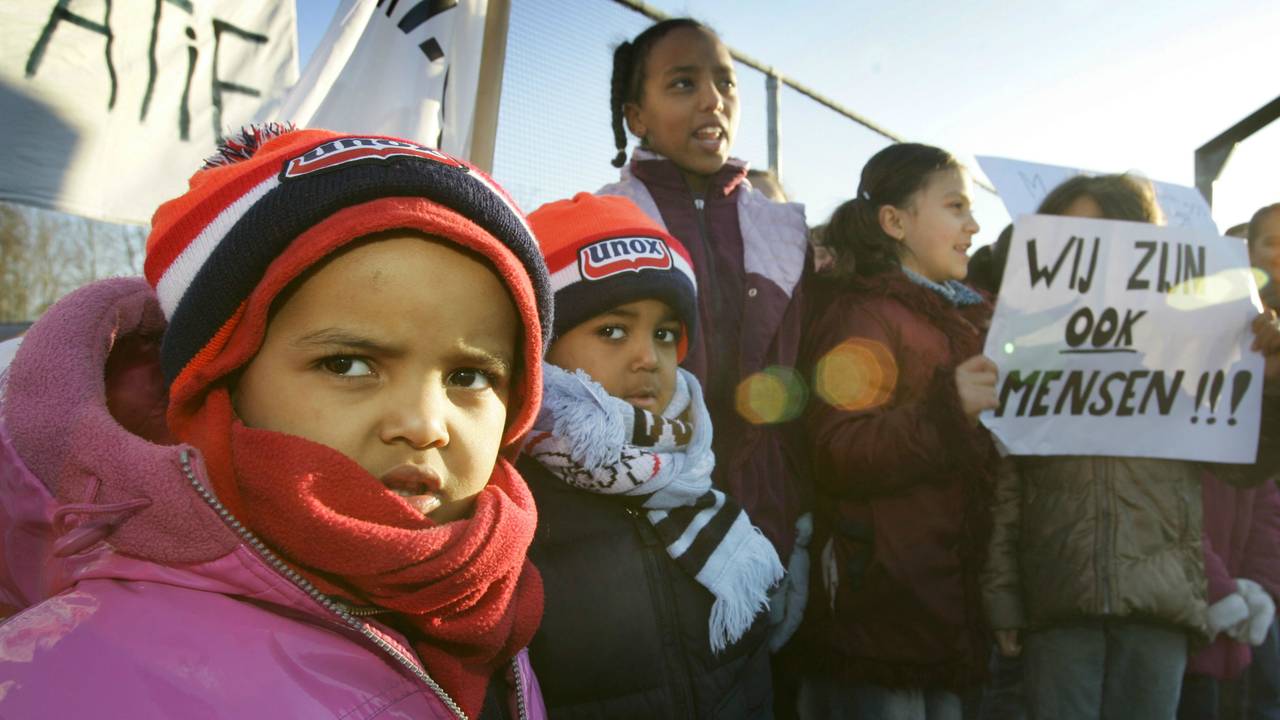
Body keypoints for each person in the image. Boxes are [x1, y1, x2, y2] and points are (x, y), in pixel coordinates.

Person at [0, 127, 553, 719]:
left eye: (470, 376)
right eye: (347, 364)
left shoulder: (492, 601)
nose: (424, 425)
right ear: (221, 384)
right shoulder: (72, 673)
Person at [983, 174, 1280, 720]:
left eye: (1101, 234)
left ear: (1142, 244)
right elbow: (1009, 487)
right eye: (1067, 234)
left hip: (1159, 610)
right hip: (1058, 604)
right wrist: (1004, 599)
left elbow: (1245, 469)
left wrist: (1274, 382)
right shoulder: (1026, 345)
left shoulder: (1192, 343)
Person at [519, 192, 782, 718]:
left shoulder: (695, 478)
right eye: (612, 331)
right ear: (541, 345)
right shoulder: (513, 513)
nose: (649, 357)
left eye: (664, 334)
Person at [796, 142, 999, 719]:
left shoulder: (973, 321)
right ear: (895, 221)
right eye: (955, 207)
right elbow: (838, 448)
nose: (973, 225)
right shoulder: (862, 315)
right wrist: (948, 411)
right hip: (880, 617)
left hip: (946, 611)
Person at [599, 18, 812, 570]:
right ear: (636, 116)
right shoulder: (604, 224)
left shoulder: (787, 232)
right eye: (683, 83)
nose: (713, 99)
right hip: (642, 526)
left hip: (767, 517)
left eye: (726, 82)